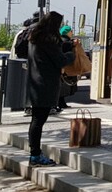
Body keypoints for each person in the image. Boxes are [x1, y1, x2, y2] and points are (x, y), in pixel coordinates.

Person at [26, 11, 75, 166]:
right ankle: (35, 155)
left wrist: (67, 44)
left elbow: (53, 50)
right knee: (39, 120)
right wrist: (72, 55)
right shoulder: (48, 40)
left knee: (36, 119)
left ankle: (35, 153)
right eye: (59, 24)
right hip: (45, 85)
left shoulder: (35, 38)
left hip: (35, 83)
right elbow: (60, 60)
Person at [57, 26, 80, 112]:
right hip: (65, 67)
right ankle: (60, 103)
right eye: (70, 31)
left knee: (63, 86)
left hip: (64, 67)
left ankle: (61, 102)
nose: (72, 33)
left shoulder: (62, 40)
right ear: (66, 32)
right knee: (63, 86)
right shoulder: (65, 41)